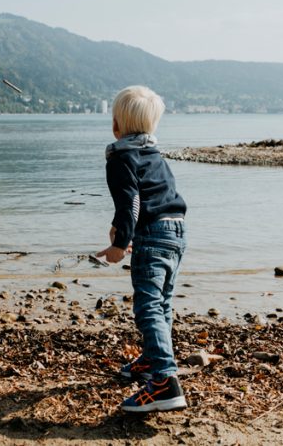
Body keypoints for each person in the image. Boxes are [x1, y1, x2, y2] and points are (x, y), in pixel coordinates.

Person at [96, 85, 188, 413]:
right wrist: (123, 227)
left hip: (152, 235)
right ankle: (152, 360)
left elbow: (131, 201)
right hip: (176, 230)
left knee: (147, 306)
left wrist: (120, 243)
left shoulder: (121, 157)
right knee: (161, 303)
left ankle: (165, 380)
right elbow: (151, 197)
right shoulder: (154, 155)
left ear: (116, 125)